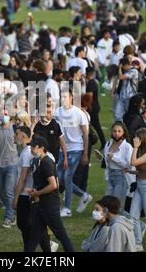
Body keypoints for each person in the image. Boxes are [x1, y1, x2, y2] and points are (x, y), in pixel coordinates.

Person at [25, 136, 74, 252]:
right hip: (42, 205)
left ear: (42, 148)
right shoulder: (40, 161)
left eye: (34, 146)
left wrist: (37, 193)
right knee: (34, 236)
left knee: (61, 234)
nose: (31, 149)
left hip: (49, 206)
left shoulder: (46, 162)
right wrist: (36, 192)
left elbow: (53, 185)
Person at [12, 126, 52, 252]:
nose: (14, 136)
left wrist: (16, 198)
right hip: (32, 194)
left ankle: (39, 247)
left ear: (23, 136)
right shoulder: (29, 152)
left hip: (26, 194)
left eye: (16, 134)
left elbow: (23, 178)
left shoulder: (26, 153)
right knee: (31, 225)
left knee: (26, 225)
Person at [55, 89, 91, 218]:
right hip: (62, 150)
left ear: (71, 97)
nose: (63, 99)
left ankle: (67, 208)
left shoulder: (79, 113)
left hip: (76, 149)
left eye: (65, 96)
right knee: (60, 178)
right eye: (61, 96)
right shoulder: (57, 112)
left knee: (67, 177)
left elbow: (86, 134)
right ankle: (83, 195)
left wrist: (85, 153)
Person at [103, 122, 135, 208]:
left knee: (117, 205)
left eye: (119, 131)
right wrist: (102, 157)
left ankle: (128, 220)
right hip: (110, 175)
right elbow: (107, 160)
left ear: (123, 132)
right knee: (107, 203)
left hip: (121, 177)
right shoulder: (108, 144)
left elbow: (129, 165)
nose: (116, 133)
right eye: (114, 131)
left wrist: (114, 157)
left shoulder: (127, 146)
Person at [115, 56, 139, 121]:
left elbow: (121, 77)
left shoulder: (134, 71)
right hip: (122, 96)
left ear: (125, 65)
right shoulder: (125, 71)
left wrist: (119, 69)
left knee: (129, 115)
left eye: (122, 66)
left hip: (130, 97)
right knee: (117, 115)